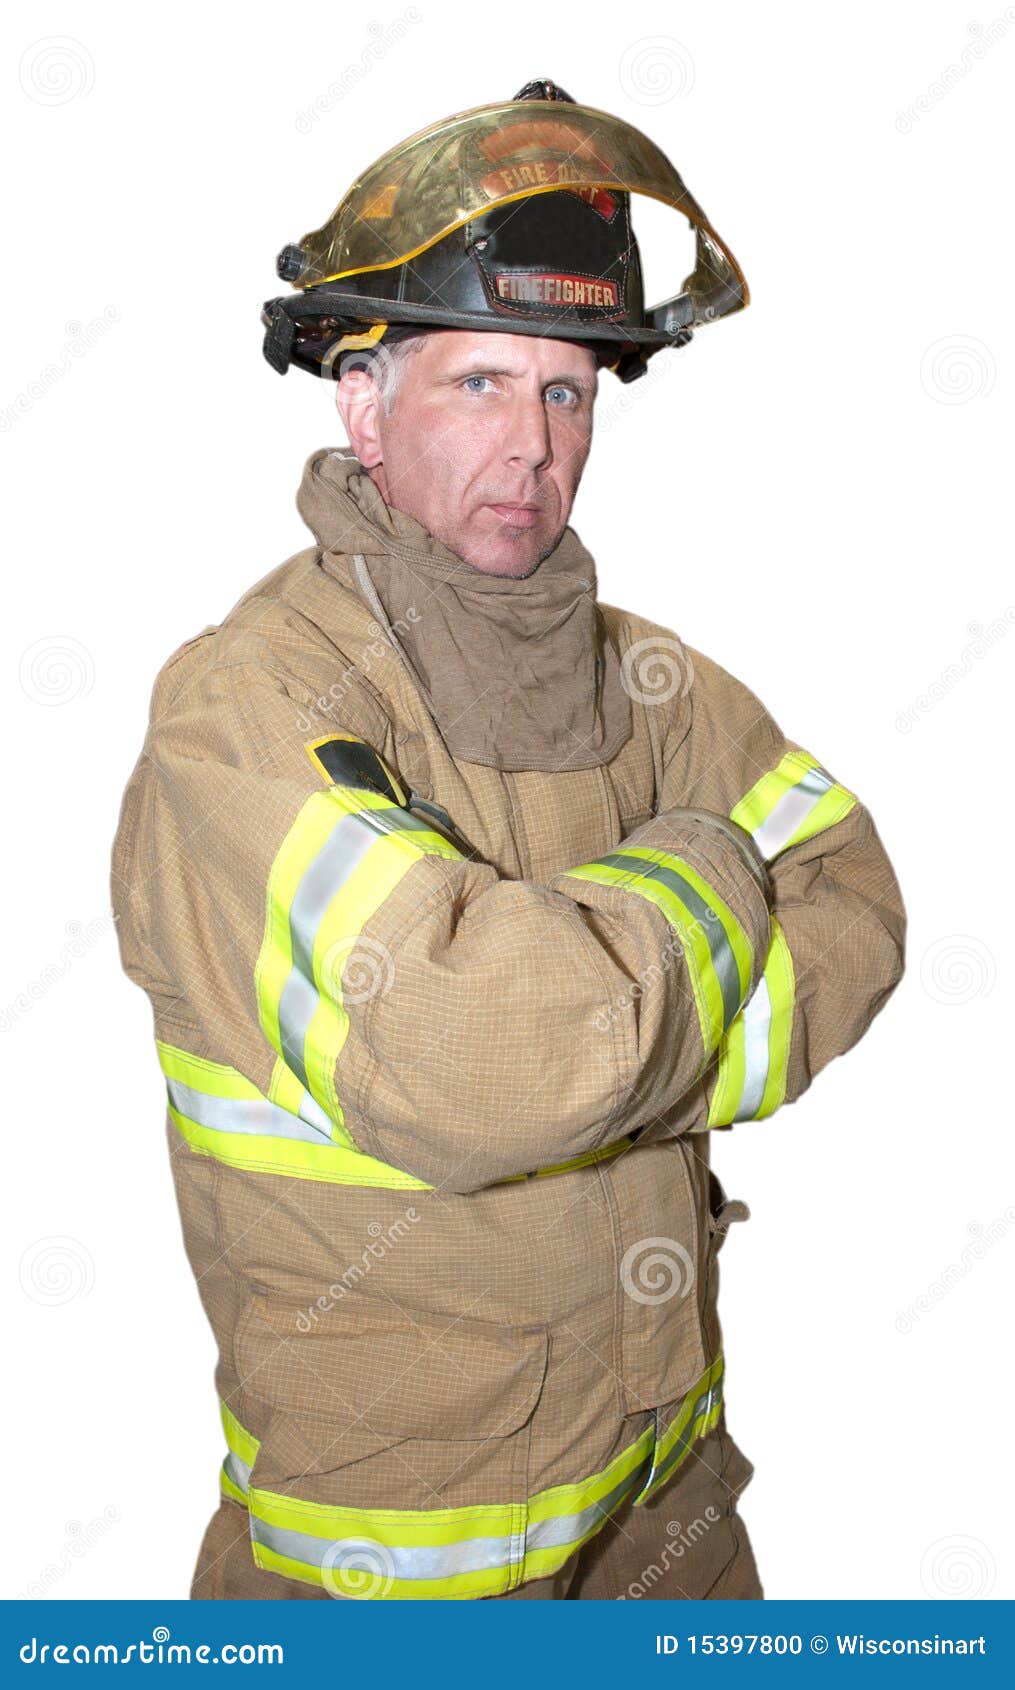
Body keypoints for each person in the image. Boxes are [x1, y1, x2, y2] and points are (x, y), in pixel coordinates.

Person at [110, 79, 906, 1601]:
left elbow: (859, 896)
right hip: (394, 1571)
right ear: (363, 401)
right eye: (478, 384)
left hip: (671, 1505)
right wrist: (701, 870)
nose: (533, 444)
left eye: (568, 392)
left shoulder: (643, 672)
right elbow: (481, 1062)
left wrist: (610, 1041)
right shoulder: (242, 709)